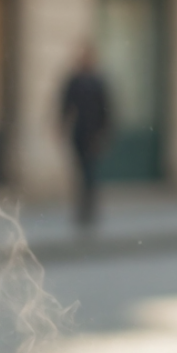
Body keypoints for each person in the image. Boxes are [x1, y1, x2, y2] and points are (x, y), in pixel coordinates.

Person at [57, 47, 112, 231]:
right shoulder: (76, 81)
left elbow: (107, 110)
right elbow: (65, 104)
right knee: (81, 172)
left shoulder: (97, 82)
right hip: (80, 133)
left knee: (90, 173)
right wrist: (61, 125)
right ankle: (83, 209)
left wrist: (102, 133)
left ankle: (89, 209)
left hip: (92, 134)